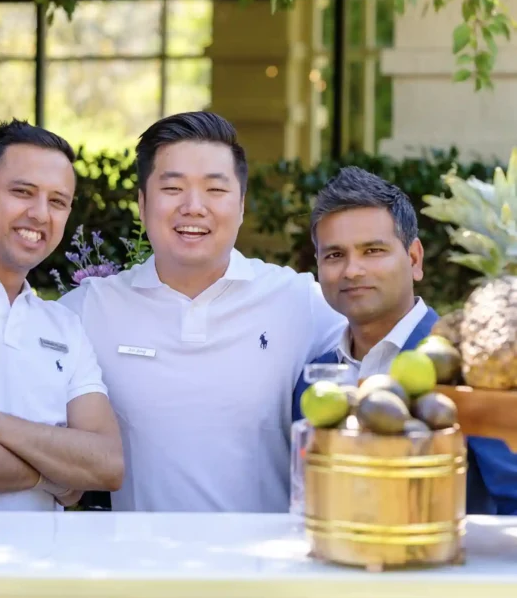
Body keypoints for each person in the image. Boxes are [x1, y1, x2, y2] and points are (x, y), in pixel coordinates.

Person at [59, 111, 345, 513]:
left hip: (266, 566)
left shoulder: (300, 300)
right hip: (139, 567)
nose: (193, 207)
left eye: (215, 189)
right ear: (142, 203)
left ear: (242, 205)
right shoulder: (89, 310)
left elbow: (388, 349)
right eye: (172, 188)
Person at [292, 165, 517, 515]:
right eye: (335, 255)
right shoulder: (315, 377)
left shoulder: (469, 373)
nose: (352, 270)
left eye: (373, 251)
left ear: (414, 259)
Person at [0, 119, 123, 511]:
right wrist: (53, 473)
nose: (40, 214)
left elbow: (108, 463)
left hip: (47, 568)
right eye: (22, 192)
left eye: (58, 201)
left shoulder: (64, 325)